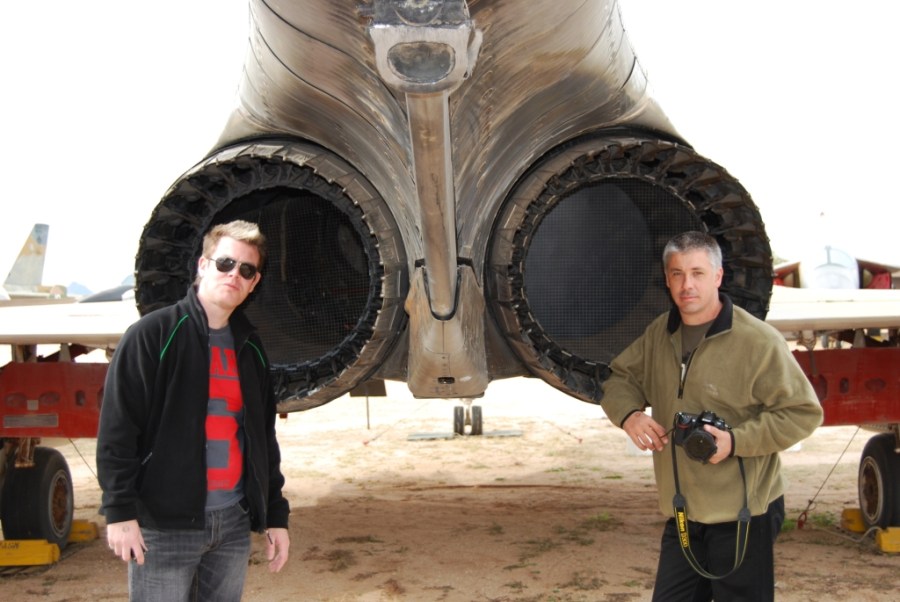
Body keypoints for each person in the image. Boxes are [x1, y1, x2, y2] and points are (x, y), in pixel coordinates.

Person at [600, 230, 823, 601]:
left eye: (697, 273)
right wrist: (630, 415)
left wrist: (735, 441)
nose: (687, 284)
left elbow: (802, 413)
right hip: (683, 511)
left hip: (743, 512)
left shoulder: (758, 342)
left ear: (718, 276)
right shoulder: (660, 334)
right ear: (667, 279)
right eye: (677, 274)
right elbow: (620, 378)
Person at [96, 220, 291, 601]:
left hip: (232, 524)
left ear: (254, 283)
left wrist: (274, 515)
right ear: (203, 265)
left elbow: (263, 439)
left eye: (246, 270)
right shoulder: (152, 335)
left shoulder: (251, 348)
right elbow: (118, 431)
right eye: (225, 263)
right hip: (164, 526)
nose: (234, 275)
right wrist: (119, 512)